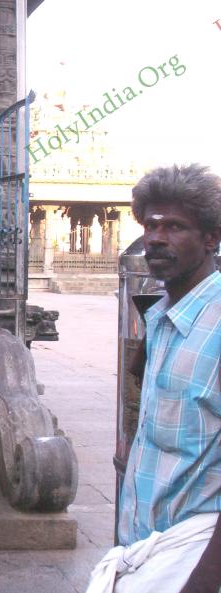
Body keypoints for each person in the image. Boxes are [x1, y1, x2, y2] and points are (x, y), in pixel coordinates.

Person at [86, 164, 221, 593]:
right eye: (151, 225)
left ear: (210, 238)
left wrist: (202, 582)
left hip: (191, 563)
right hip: (142, 554)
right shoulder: (161, 320)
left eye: (176, 226)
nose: (157, 238)